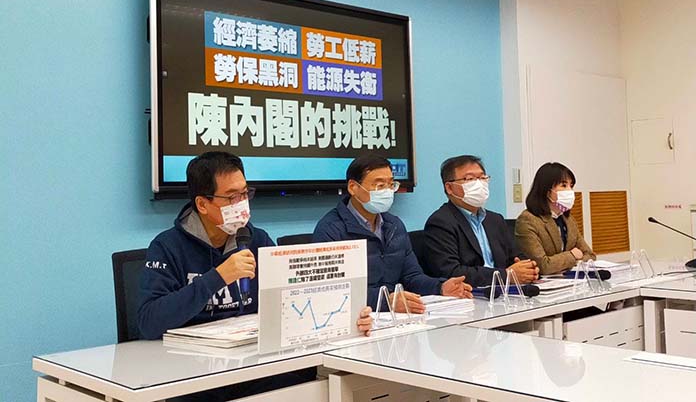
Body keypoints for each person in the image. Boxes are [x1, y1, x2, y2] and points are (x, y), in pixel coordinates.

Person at [138, 151, 372, 401]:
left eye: (245, 194)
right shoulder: (167, 246)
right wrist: (217, 277)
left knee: (312, 382)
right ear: (203, 204)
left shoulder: (255, 239)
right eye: (231, 197)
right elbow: (149, 322)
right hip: (194, 375)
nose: (241, 204)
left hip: (252, 365)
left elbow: (295, 305)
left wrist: (347, 319)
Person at [313, 154, 473, 315]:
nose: (387, 191)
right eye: (379, 185)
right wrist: (386, 301)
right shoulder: (331, 230)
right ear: (353, 187)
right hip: (358, 318)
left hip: (394, 318)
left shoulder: (394, 225)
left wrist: (440, 287)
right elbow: (334, 291)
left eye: (391, 184)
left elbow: (412, 276)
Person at [423, 155, 538, 287]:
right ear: (449, 187)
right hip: (472, 294)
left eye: (482, 178)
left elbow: (516, 256)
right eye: (470, 179)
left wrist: (529, 269)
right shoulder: (440, 223)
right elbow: (451, 272)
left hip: (506, 292)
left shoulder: (495, 220)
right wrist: (506, 275)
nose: (479, 184)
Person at [515, 162, 596, 275]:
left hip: (568, 280)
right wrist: (572, 255)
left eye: (571, 186)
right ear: (547, 191)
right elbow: (542, 265)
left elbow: (590, 255)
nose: (570, 191)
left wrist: (562, 263)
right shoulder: (528, 220)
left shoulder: (568, 219)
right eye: (564, 185)